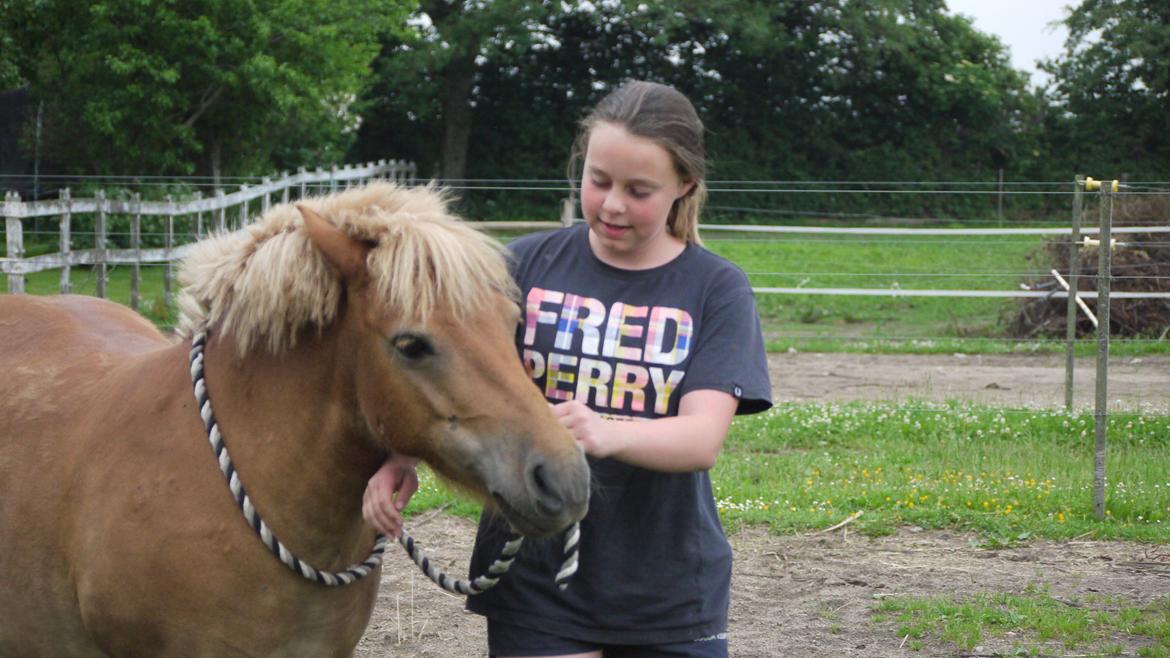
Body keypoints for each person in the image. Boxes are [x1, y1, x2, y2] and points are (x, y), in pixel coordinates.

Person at [364, 80, 772, 658]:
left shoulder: (716, 289)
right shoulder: (522, 264)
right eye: (598, 180)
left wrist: (605, 430)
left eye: (639, 190)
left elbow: (702, 438)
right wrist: (399, 459)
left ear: (685, 186)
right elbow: (448, 375)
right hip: (534, 579)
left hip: (669, 589)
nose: (611, 204)